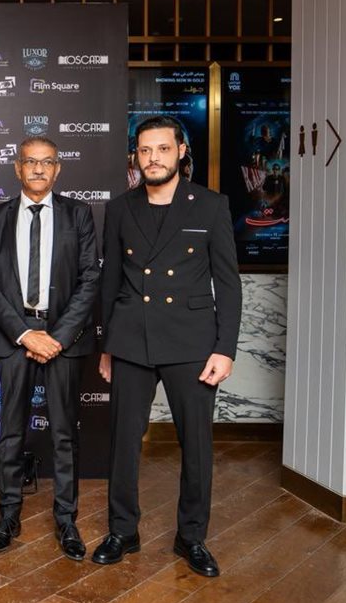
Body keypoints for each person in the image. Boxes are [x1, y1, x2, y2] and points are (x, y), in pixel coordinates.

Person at [95, 116, 241, 578]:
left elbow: (228, 284)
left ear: (181, 151)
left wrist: (225, 348)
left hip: (192, 342)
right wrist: (106, 345)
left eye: (161, 148)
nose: (152, 158)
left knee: (195, 445)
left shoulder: (211, 206)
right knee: (123, 443)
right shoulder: (120, 208)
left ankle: (191, 537)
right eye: (144, 150)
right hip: (130, 340)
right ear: (135, 157)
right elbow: (110, 282)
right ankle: (123, 531)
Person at [0, 137, 100, 560]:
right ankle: (8, 516)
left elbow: (89, 279)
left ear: (57, 169)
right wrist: (24, 334)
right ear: (17, 167)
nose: (38, 169)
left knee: (65, 434)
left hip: (63, 339)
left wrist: (57, 336)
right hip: (15, 337)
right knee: (11, 432)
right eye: (30, 162)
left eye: (46, 162)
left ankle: (67, 520)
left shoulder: (78, 214)